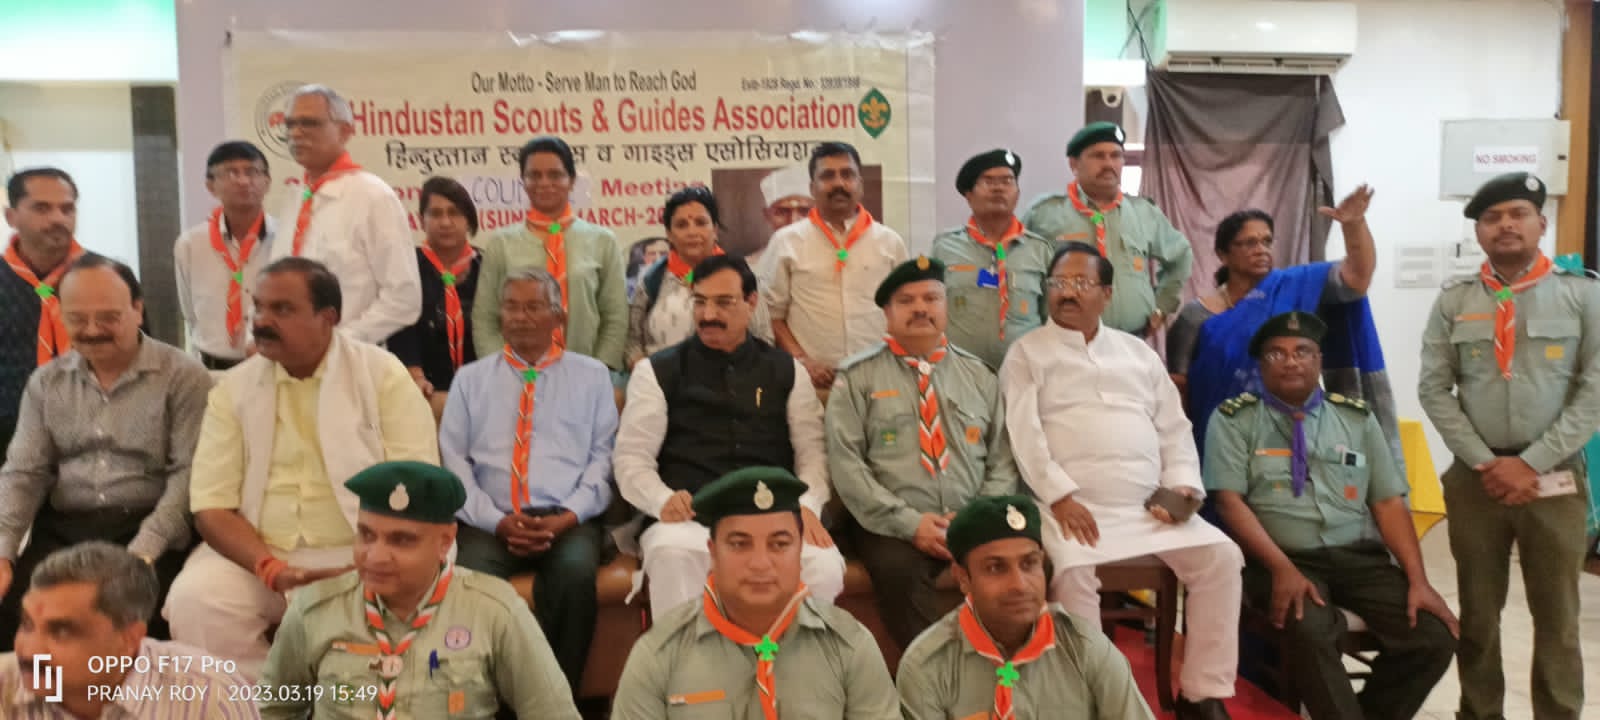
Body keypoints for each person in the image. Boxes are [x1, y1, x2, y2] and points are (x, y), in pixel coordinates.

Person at [162, 257, 439, 679]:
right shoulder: (233, 388)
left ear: (328, 318)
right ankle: (260, 703)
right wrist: (271, 568)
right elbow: (211, 505)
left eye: (282, 309)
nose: (262, 321)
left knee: (378, 645)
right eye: (259, 306)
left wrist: (369, 559)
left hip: (362, 549)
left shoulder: (382, 376)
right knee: (197, 600)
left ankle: (334, 699)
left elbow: (416, 489)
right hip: (261, 555)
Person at [1001, 242, 1242, 720]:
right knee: (1071, 571)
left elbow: (1174, 427)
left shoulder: (1138, 353)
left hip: (1149, 507)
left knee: (1221, 557)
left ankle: (1202, 694)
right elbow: (1023, 435)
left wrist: (1182, 488)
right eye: (1058, 283)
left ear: (1107, 294)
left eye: (1081, 283)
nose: (1067, 293)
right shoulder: (1027, 353)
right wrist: (1060, 496)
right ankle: (1096, 697)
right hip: (1072, 507)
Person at [1206, 311, 1458, 720]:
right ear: (1261, 365)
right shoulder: (1235, 420)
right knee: (1309, 625)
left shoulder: (1356, 419)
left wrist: (1419, 580)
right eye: (1277, 354)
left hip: (1357, 559)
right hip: (1277, 559)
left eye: (1302, 351)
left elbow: (1388, 503)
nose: (1291, 361)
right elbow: (1229, 502)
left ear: (1319, 360)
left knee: (1434, 634)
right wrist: (1282, 568)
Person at [1418, 171, 1599, 720]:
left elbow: (1594, 390)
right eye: (1492, 218)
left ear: (1541, 223)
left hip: (1555, 476)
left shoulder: (1582, 295)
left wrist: (1530, 463)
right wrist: (1486, 462)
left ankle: (1559, 714)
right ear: (1478, 232)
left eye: (1518, 214)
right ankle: (1479, 712)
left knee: (1558, 616)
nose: (1505, 225)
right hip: (1477, 479)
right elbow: (1433, 388)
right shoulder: (1455, 300)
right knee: (1478, 612)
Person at [0, 255, 211, 650]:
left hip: (150, 526)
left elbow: (188, 475)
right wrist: (4, 552)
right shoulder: (46, 382)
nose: (93, 330)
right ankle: (45, 691)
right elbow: (23, 472)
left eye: (109, 317)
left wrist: (142, 553)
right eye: (77, 318)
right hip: (64, 529)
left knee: (128, 620)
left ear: (137, 309)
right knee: (21, 616)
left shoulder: (183, 377)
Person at [258, 461, 579, 720]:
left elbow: (552, 713)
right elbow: (274, 709)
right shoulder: (315, 610)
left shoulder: (494, 611)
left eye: (401, 540)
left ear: (445, 542)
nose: (375, 556)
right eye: (366, 535)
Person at [615, 255, 844, 615]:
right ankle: (686, 654)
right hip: (690, 519)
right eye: (700, 301)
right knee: (673, 553)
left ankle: (788, 655)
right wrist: (662, 500)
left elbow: (813, 455)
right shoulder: (656, 372)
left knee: (823, 564)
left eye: (723, 302)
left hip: (774, 514)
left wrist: (807, 506)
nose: (708, 315)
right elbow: (632, 458)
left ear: (751, 303)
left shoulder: (787, 371)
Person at [827, 256, 1020, 649]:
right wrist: (911, 523)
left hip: (971, 514)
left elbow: (1002, 459)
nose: (920, 308)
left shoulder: (980, 375)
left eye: (931, 298)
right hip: (888, 523)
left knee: (1018, 557)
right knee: (898, 568)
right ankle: (933, 674)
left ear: (946, 306)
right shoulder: (857, 377)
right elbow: (846, 464)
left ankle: (1008, 664)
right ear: (887, 313)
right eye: (906, 301)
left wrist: (974, 517)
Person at [441, 267, 616, 691]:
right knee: (469, 582)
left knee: (574, 577)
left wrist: (569, 515)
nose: (520, 317)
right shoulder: (469, 380)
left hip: (567, 519)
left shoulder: (592, 376)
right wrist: (495, 520)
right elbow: (454, 461)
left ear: (558, 316)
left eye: (533, 307)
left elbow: (604, 458)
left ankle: (556, 698)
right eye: (511, 307)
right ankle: (485, 698)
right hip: (491, 520)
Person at [611, 467, 899, 719]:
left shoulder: (850, 648)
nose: (760, 563)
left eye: (779, 544)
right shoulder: (659, 655)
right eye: (740, 544)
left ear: (800, 549)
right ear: (713, 553)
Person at [1169, 186, 1389, 459]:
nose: (1261, 250)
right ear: (1223, 255)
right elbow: (1179, 388)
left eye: (1266, 241)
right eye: (1249, 243)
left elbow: (1357, 278)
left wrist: (1353, 225)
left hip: (1291, 432)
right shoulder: (1195, 316)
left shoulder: (1295, 287)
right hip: (1219, 438)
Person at [897, 496, 1155, 720]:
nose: (1019, 585)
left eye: (1029, 564)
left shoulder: (1085, 648)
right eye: (995, 568)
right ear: (963, 578)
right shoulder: (928, 666)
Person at [0, 543, 258, 719]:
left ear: (128, 639)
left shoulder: (211, 696)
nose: (30, 651)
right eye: (27, 625)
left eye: (62, 632)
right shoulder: (4, 686)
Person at [269, 84, 421, 345]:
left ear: (345, 131)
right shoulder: (295, 197)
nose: (296, 133)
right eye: (290, 124)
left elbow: (404, 298)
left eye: (309, 123)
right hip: (288, 356)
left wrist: (337, 344)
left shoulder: (373, 196)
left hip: (352, 357)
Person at [1021, 122, 1192, 338]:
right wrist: (1028, 323)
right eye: (1098, 156)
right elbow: (1021, 271)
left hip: (1131, 338)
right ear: (1074, 164)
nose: (1109, 163)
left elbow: (1181, 256)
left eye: (1116, 156)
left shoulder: (1144, 213)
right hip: (1063, 340)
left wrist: (1162, 306)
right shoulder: (1044, 214)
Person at [474, 135, 628, 371]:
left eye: (555, 175)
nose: (544, 183)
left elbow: (615, 316)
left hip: (585, 374)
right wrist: (503, 371)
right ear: (523, 182)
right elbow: (485, 319)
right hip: (516, 374)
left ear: (572, 180)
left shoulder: (602, 241)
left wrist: (600, 372)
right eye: (534, 175)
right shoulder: (501, 244)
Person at [764, 142, 909, 389]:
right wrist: (803, 361)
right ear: (812, 188)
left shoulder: (890, 242)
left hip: (879, 379)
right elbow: (772, 315)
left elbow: (904, 308)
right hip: (813, 383)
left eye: (847, 174)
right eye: (828, 176)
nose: (839, 183)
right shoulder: (786, 242)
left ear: (860, 185)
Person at [933, 148, 1056, 369]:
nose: (998, 188)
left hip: (1026, 371)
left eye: (1007, 181)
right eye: (988, 181)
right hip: (962, 372)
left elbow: (1052, 317)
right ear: (969, 195)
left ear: (1017, 194)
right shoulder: (944, 247)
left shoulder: (1040, 250)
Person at [627, 186, 771, 367]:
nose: (692, 232)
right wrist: (646, 372)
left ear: (715, 230)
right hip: (661, 379)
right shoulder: (652, 279)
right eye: (682, 225)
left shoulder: (740, 276)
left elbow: (764, 339)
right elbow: (632, 341)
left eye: (701, 222)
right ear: (669, 234)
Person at [2, 168, 87, 456]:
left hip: (93, 433)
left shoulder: (106, 278)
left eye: (67, 209)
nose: (58, 219)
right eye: (42, 208)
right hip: (9, 436)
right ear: (11, 216)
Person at [174, 141, 275, 371]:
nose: (243, 181)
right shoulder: (190, 244)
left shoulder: (286, 239)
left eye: (252, 171)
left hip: (270, 365)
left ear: (267, 182)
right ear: (210, 186)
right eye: (231, 173)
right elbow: (189, 312)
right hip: (212, 368)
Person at [387, 176, 482, 420]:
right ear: (422, 220)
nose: (445, 222)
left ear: (468, 220)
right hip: (426, 392)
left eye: (454, 213)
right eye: (436, 214)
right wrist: (415, 376)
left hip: (481, 392)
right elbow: (400, 326)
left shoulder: (485, 267)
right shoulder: (408, 265)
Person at [747, 163, 813, 269]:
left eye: (804, 211)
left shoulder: (833, 258)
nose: (793, 221)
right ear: (767, 215)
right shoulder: (750, 266)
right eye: (782, 212)